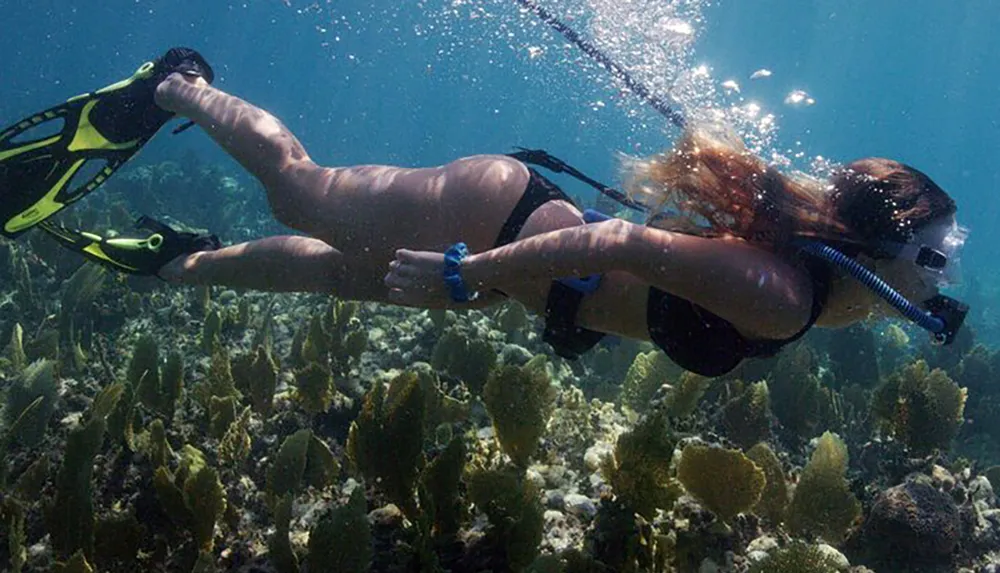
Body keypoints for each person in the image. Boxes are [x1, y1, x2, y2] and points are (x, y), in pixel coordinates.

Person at [0, 48, 968, 376]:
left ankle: (184, 262)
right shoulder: (777, 295)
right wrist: (472, 270)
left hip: (524, 279)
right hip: (503, 219)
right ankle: (178, 87)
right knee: (304, 194)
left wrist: (489, 285)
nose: (944, 275)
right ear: (886, 244)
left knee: (334, 273)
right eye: (936, 253)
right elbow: (620, 238)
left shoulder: (824, 294)